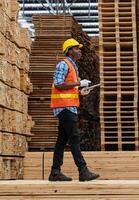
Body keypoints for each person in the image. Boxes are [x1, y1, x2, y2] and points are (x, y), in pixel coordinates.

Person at [48, 38, 99, 181]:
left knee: (62, 141)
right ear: (70, 51)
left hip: (68, 106)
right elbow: (58, 84)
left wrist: (80, 91)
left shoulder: (72, 66)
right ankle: (83, 171)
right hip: (64, 107)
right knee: (75, 138)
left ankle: (55, 172)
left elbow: (68, 88)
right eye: (77, 48)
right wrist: (78, 82)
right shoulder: (63, 65)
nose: (80, 51)